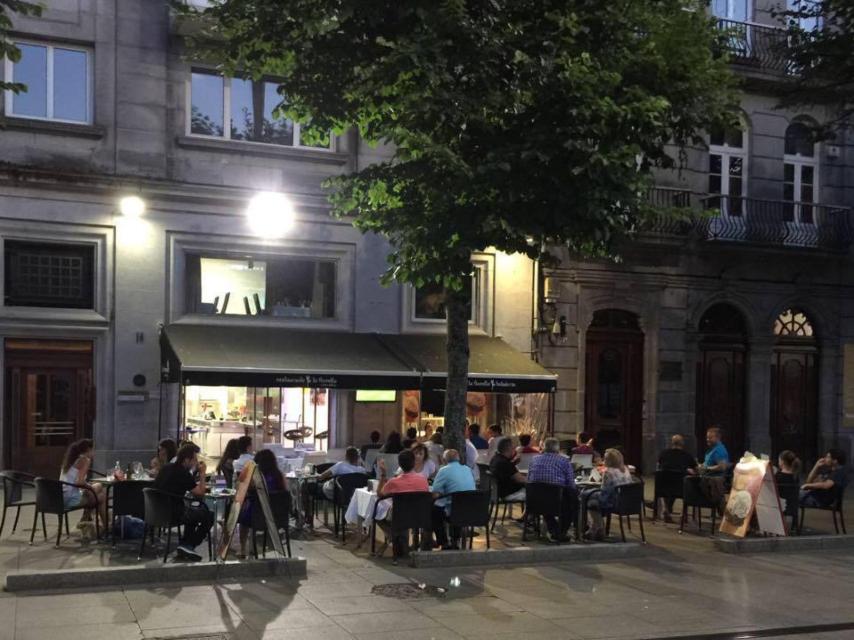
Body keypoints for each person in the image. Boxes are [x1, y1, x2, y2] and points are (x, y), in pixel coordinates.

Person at [153, 443, 214, 561]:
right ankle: (188, 545)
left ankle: (186, 545)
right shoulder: (183, 473)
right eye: (194, 459)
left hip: (157, 512)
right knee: (209, 514)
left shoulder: (166, 468)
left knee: (194, 512)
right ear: (186, 460)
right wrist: (202, 473)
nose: (196, 462)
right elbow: (200, 492)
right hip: (173, 513)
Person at [377, 449, 431, 561]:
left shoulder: (394, 482)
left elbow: (380, 494)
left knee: (377, 511)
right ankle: (401, 541)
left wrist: (383, 474)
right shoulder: (423, 480)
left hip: (400, 516)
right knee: (401, 511)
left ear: (399, 464)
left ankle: (392, 536)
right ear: (414, 462)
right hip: (419, 515)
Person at [237, 448, 288, 558]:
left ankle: (242, 549)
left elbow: (243, 486)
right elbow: (285, 492)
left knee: (243, 519)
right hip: (277, 517)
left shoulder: (256, 476)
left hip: (258, 517)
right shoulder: (279, 476)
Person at [526, 437, 577, 542]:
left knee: (546, 503)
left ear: (544, 447)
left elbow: (528, 479)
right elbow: (571, 484)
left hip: (534, 500)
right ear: (558, 449)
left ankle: (555, 530)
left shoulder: (534, 459)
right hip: (556, 500)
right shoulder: (564, 461)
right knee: (573, 503)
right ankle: (560, 532)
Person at [583, 448, 633, 541]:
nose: (603, 460)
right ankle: (596, 529)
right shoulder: (625, 470)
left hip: (613, 503)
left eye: (604, 459)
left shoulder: (608, 473)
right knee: (592, 498)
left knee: (589, 500)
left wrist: (588, 493)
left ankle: (596, 529)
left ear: (609, 461)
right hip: (625, 502)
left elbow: (604, 495)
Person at [431, 449, 476, 549]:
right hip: (472, 511)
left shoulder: (444, 470)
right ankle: (455, 540)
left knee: (434, 511)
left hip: (454, 511)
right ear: (459, 458)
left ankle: (443, 542)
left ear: (444, 460)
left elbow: (435, 494)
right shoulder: (467, 469)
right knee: (454, 504)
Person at [60, 439, 107, 530]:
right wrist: (88, 487)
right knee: (101, 495)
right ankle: (106, 528)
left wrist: (87, 487)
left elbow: (74, 481)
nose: (94, 452)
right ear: (88, 449)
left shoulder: (71, 459)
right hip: (70, 500)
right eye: (94, 449)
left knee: (97, 489)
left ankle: (85, 518)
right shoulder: (85, 460)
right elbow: (79, 482)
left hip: (60, 498)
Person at [657, 434, 698, 522]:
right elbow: (696, 469)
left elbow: (659, 467)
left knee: (662, 481)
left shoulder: (664, 454)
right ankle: (683, 513)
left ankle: (665, 509)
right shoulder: (687, 456)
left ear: (672, 443)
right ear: (682, 443)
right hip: (681, 488)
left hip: (664, 488)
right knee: (689, 483)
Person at [489, 437, 526, 503]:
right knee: (535, 492)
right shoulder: (505, 463)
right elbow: (520, 479)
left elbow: (506, 471)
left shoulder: (495, 459)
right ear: (509, 449)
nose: (515, 450)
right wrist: (534, 480)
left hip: (498, 492)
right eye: (514, 448)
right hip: (509, 494)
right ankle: (530, 513)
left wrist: (513, 463)